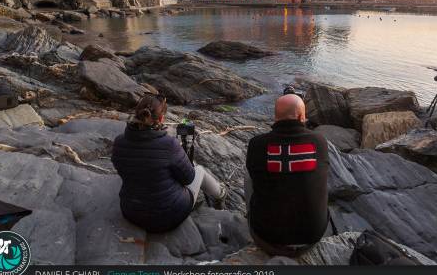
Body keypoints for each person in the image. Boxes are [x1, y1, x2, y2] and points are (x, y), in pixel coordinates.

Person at [112, 94, 226, 233]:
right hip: (167, 217)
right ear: (161, 118)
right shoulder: (168, 144)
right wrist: (179, 153)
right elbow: (188, 178)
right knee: (200, 170)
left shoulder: (119, 142)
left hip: (131, 212)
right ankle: (220, 195)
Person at [245, 94, 329, 257]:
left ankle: (252, 214)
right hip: (312, 237)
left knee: (249, 176)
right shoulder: (319, 141)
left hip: (267, 239)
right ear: (301, 116)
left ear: (275, 117)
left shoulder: (257, 144)